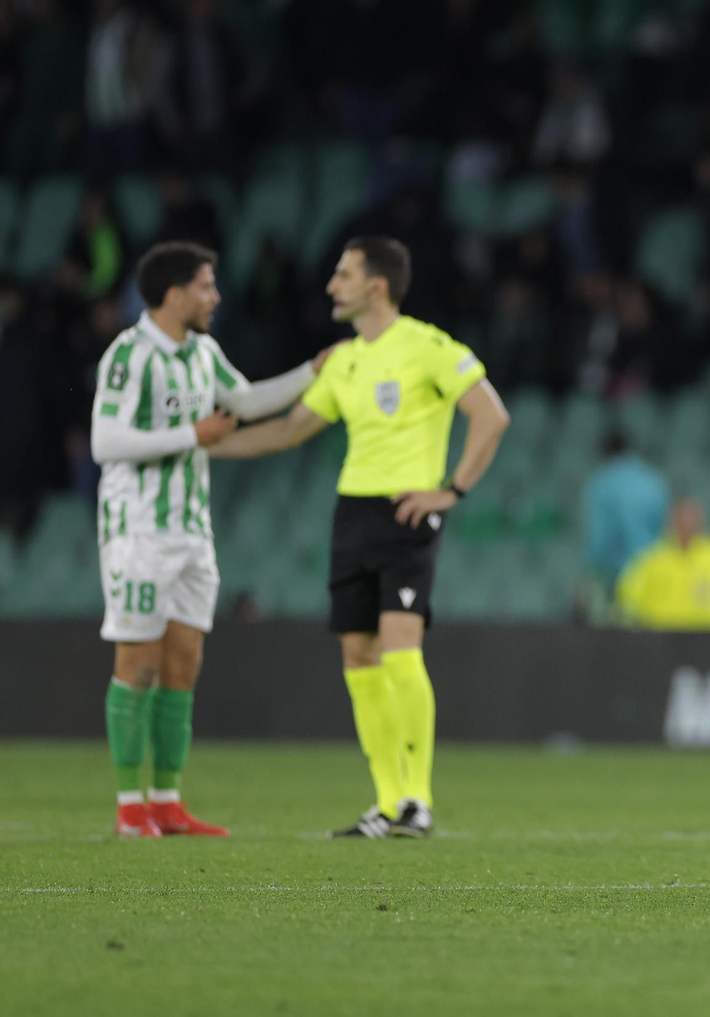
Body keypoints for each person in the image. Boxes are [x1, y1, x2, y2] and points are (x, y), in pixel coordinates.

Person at [209, 237, 510, 839]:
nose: (331, 286)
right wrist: (201, 444)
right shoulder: (344, 359)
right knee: (357, 656)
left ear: (377, 286)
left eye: (343, 275)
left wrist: (452, 491)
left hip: (406, 510)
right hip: (353, 514)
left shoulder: (426, 346)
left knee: (401, 647)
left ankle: (418, 800)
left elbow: (490, 414)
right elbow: (292, 430)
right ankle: (386, 801)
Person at [93, 241, 334, 838]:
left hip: (192, 531)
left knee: (184, 663)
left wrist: (313, 371)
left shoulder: (203, 353)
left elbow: (247, 400)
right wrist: (189, 433)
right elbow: (105, 441)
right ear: (174, 295)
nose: (215, 297)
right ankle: (130, 806)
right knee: (139, 663)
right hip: (139, 529)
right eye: (205, 286)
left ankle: (168, 801)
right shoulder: (128, 355)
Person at [615, 497, 710, 630]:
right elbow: (627, 605)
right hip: (658, 645)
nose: (686, 525)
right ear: (671, 523)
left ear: (702, 523)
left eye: (691, 520)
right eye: (681, 520)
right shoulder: (649, 561)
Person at [582, 430, 669, 594]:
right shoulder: (653, 480)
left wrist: (592, 568)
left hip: (617, 572)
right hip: (653, 569)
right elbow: (663, 527)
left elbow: (598, 535)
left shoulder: (601, 484)